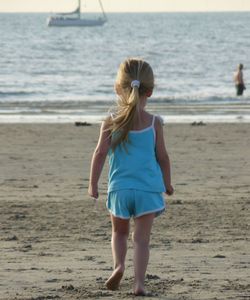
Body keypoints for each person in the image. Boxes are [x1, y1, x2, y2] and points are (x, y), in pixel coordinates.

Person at [88, 58, 174, 296]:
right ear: (151, 91)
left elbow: (100, 153)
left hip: (120, 190)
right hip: (147, 190)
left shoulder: (110, 122)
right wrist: (167, 183)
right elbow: (163, 157)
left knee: (119, 233)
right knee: (141, 240)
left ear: (118, 88)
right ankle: (139, 284)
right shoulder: (155, 123)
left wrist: (93, 183)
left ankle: (118, 266)